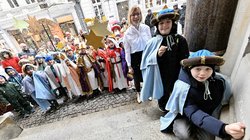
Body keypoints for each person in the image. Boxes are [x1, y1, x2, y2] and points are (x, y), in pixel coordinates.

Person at [160, 50, 246, 140]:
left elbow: (220, 100)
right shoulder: (183, 89)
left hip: (206, 114)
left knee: (208, 138)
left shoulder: (218, 82)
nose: (202, 74)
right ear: (189, 68)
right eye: (198, 69)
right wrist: (224, 128)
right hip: (185, 116)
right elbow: (194, 112)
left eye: (208, 69)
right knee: (185, 134)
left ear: (213, 70)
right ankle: (177, 126)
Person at [140, 8, 189, 112]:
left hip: (177, 73)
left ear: (173, 23)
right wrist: (157, 55)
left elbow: (185, 58)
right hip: (161, 75)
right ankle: (163, 106)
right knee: (163, 94)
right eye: (161, 23)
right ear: (157, 26)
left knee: (177, 92)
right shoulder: (153, 42)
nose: (165, 25)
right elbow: (147, 62)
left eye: (168, 22)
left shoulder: (180, 40)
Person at [123, 6, 152, 103]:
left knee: (147, 75)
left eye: (138, 14)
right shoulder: (127, 33)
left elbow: (150, 43)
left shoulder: (146, 28)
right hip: (135, 56)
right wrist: (129, 65)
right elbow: (127, 51)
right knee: (137, 77)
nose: (136, 17)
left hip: (146, 54)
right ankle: (138, 93)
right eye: (133, 15)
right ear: (130, 17)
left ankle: (147, 92)